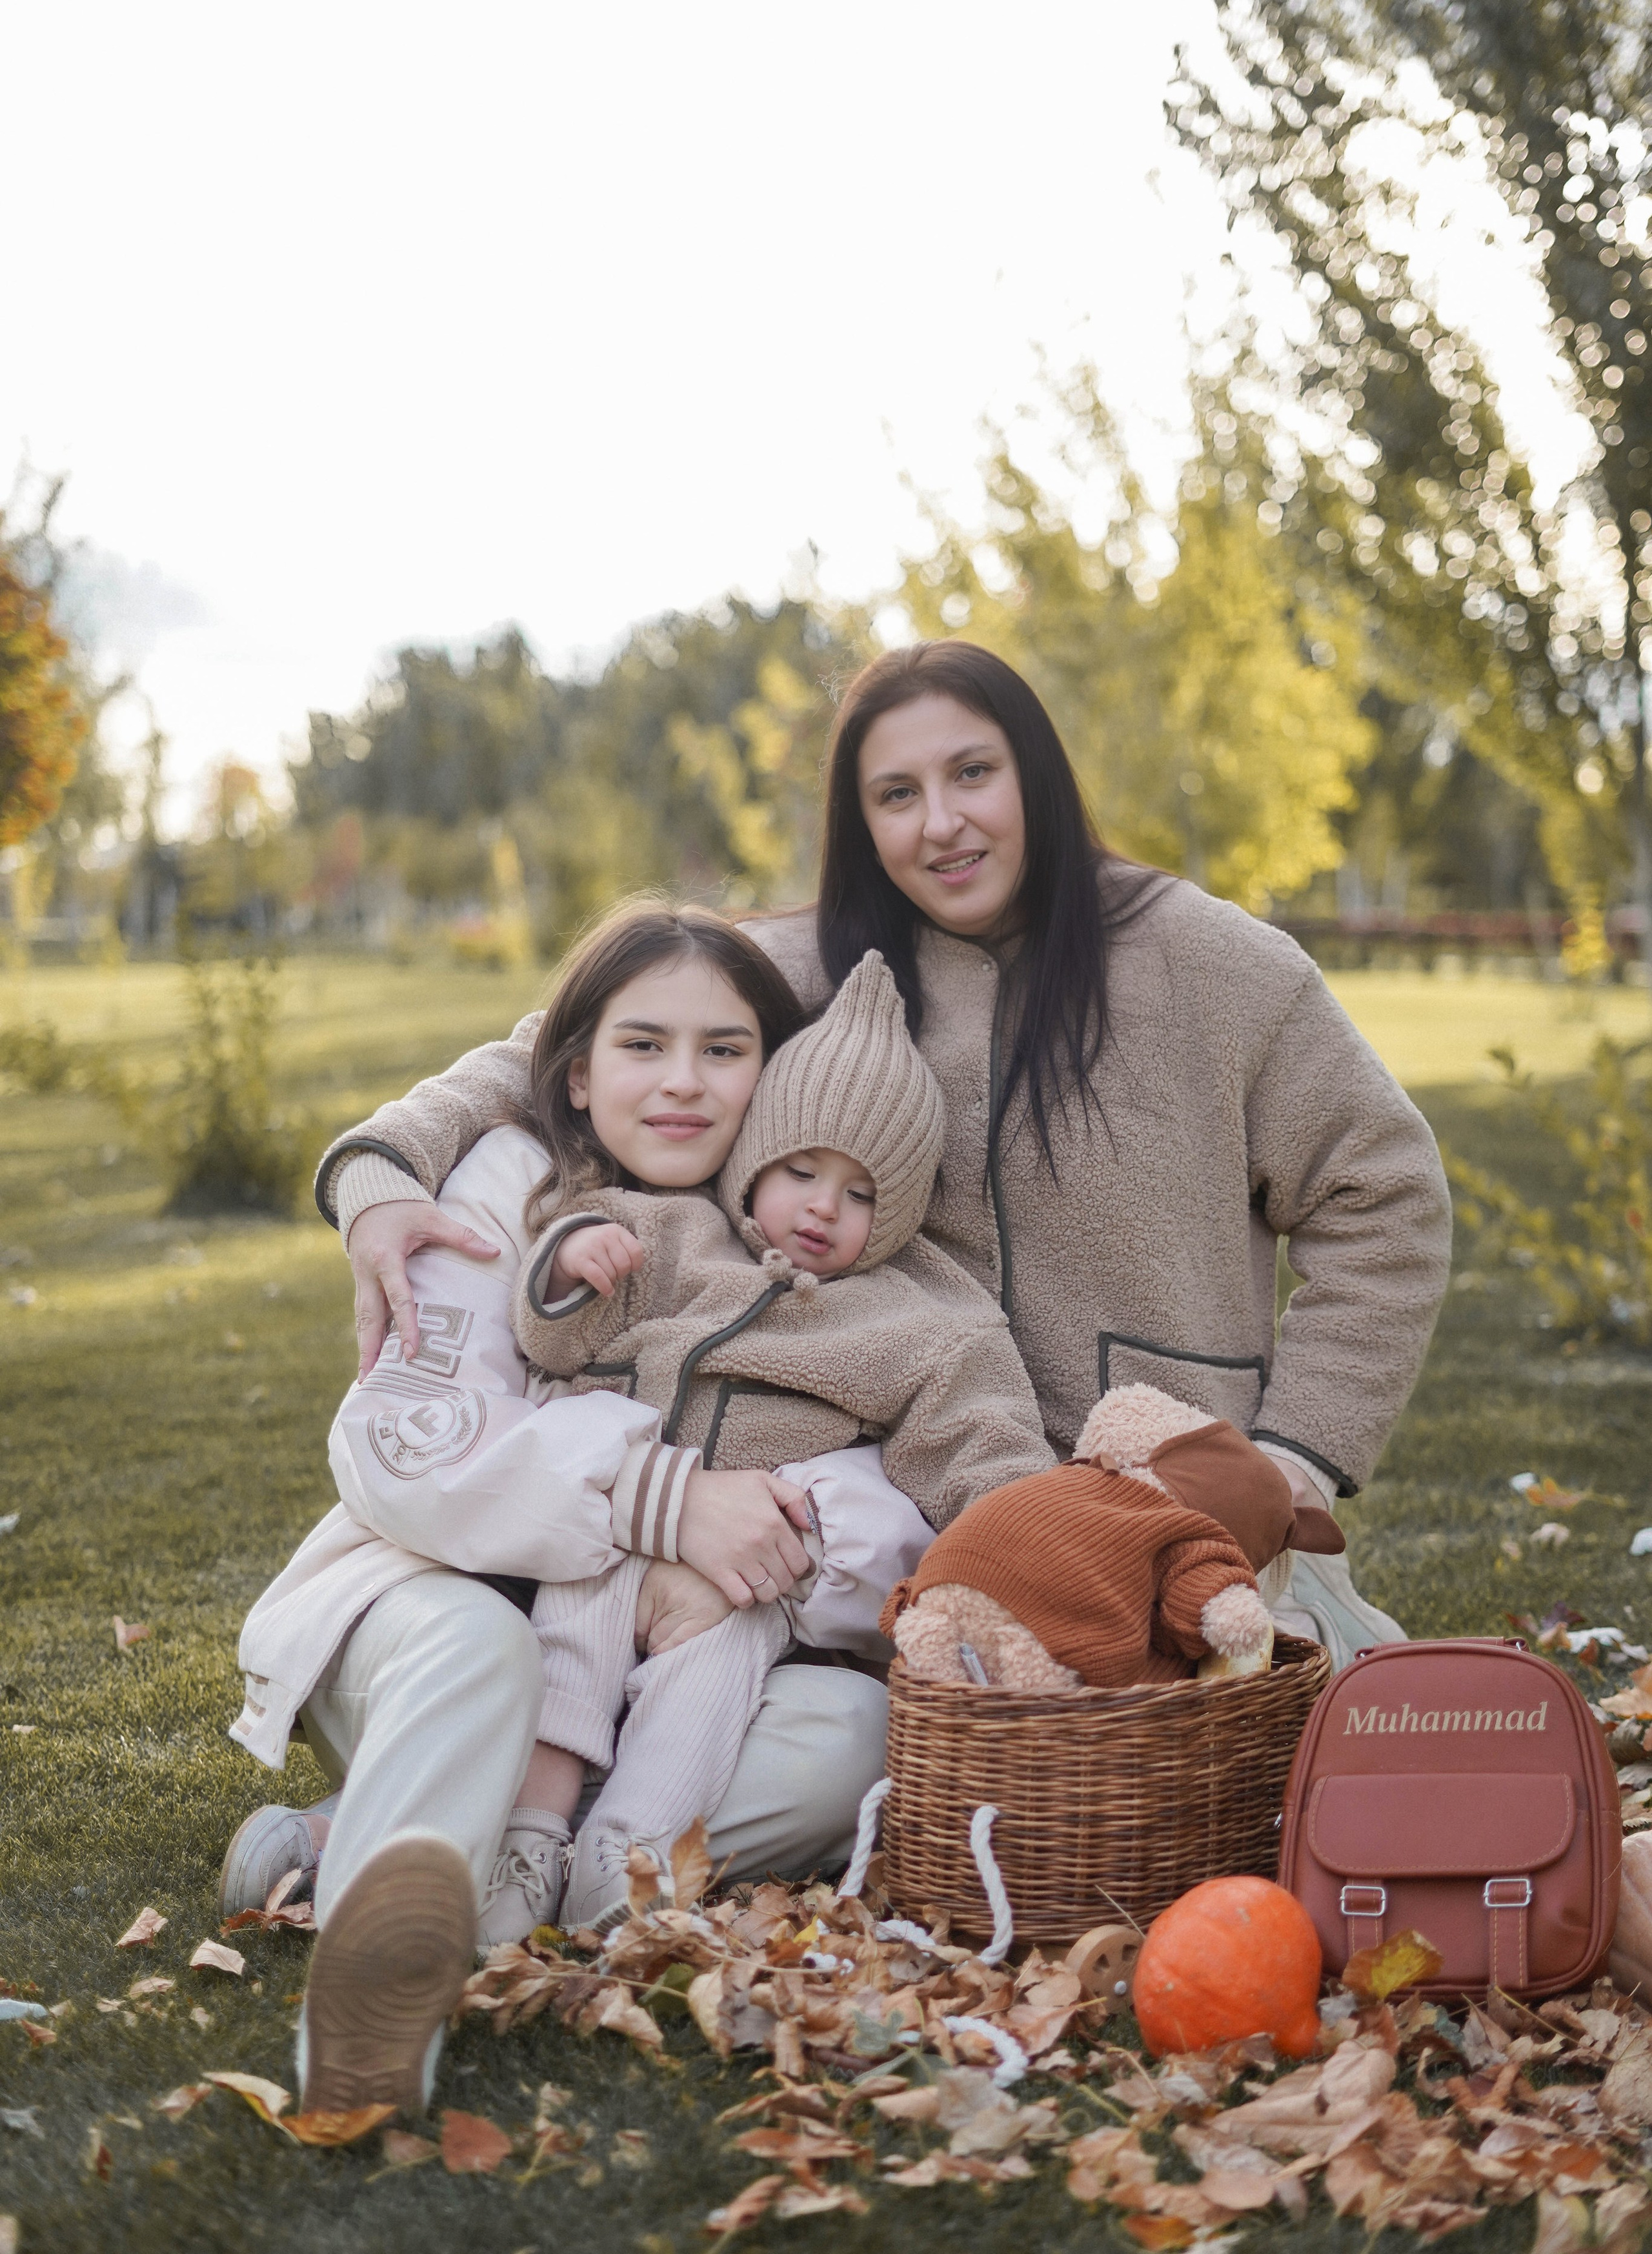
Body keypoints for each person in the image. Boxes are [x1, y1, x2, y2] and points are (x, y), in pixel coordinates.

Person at [328, 641, 1453, 1666]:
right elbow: (554, 1048)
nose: (941, 824)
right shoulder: (816, 968)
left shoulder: (1218, 967)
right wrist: (380, 1173)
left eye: (974, 774)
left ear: (1038, 778)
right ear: (862, 821)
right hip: (910, 1524)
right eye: (897, 795)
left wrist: (1295, 1455)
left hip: (1163, 1518)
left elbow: (1387, 1198)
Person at [228, 904, 935, 2113]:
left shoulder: (794, 1223)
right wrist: (668, 1505)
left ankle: (430, 1842)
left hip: (665, 1668)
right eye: (643, 1045)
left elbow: (880, 1494)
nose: (683, 1085)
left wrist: (766, 1527)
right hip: (430, 1605)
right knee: (487, 1651)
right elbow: (411, 1450)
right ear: (578, 1067)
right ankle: (383, 1984)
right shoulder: (510, 1183)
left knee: (847, 1741)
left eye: (726, 1050)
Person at [506, 942, 1051, 1935]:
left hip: (752, 1585)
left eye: (862, 1195)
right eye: (800, 1171)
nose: (821, 1209)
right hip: (619, 1528)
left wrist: (1034, 1538)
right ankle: (529, 1838)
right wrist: (566, 1264)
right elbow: (555, 1336)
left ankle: (621, 1867)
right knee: (569, 1639)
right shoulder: (664, 1234)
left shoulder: (917, 1316)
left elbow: (983, 1442)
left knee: (701, 1698)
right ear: (757, 1156)